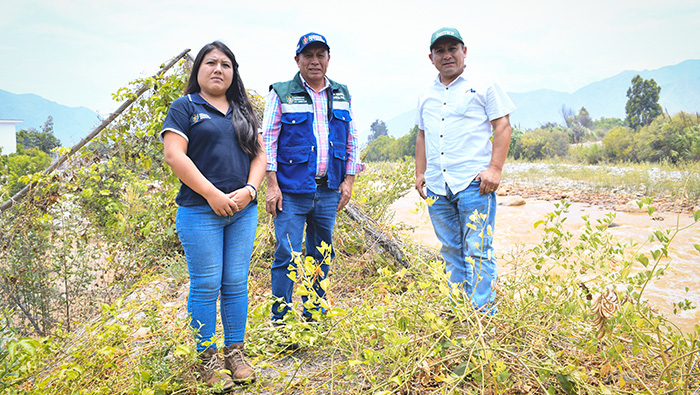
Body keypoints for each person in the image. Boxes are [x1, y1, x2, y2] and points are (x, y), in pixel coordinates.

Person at [161, 41, 264, 388]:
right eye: (210, 63)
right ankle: (208, 359)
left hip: (242, 212)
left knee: (235, 283)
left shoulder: (243, 110)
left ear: (234, 73)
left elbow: (260, 157)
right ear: (198, 70)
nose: (218, 69)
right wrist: (212, 195)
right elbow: (175, 156)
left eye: (226, 64)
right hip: (199, 211)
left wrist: (250, 191)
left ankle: (235, 352)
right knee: (206, 285)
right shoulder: (184, 107)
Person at [262, 32, 361, 325]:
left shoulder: (341, 93)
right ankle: (281, 319)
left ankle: (314, 313)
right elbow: (267, 140)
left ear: (328, 59)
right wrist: (272, 185)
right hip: (291, 192)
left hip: (329, 190)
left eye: (321, 55)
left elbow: (352, 139)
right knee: (287, 255)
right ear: (298, 60)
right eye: (308, 55)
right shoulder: (282, 92)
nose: (315, 61)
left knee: (321, 253)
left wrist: (349, 181)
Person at [414, 27, 516, 314]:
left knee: (478, 249)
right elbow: (422, 135)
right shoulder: (426, 94)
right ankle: (459, 311)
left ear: (464, 52)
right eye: (440, 51)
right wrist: (420, 173)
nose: (447, 55)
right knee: (450, 250)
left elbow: (503, 125)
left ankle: (482, 315)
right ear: (431, 57)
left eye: (452, 49)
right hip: (437, 185)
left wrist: (494, 169)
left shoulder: (484, 84)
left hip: (473, 183)